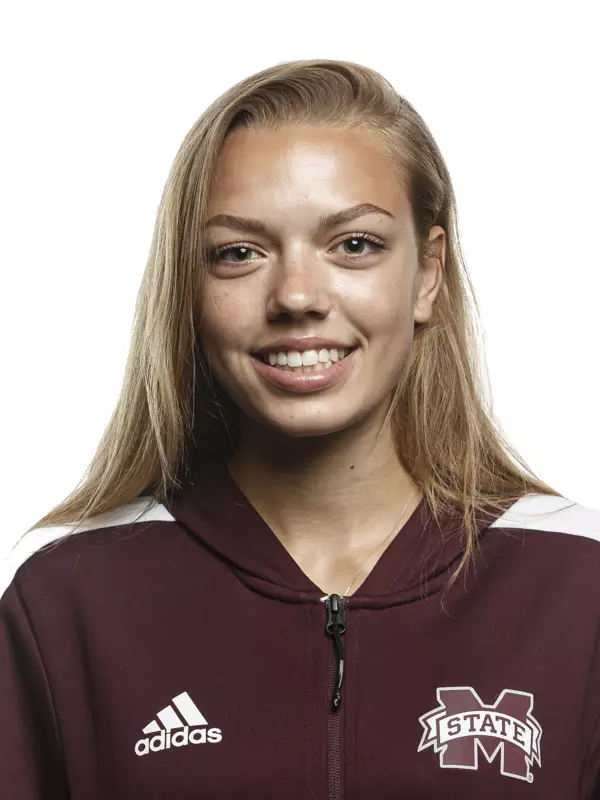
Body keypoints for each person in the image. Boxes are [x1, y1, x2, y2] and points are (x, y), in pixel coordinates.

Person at [1, 58, 599, 800]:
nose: (295, 296)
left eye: (354, 245)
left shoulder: (578, 587)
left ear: (428, 274)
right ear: (189, 287)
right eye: (238, 253)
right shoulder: (70, 602)